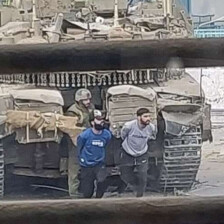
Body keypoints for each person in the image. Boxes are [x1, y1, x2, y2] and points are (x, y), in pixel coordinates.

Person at [60, 88, 94, 198]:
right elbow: (69, 128)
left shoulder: (90, 108)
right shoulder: (72, 111)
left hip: (89, 141)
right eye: (85, 100)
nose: (88, 102)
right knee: (74, 168)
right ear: (79, 101)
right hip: (76, 142)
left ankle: (89, 191)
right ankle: (73, 193)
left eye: (89, 99)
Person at [120, 108, 157, 197]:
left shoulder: (151, 128)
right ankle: (133, 186)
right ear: (138, 118)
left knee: (143, 176)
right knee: (125, 175)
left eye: (149, 116)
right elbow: (123, 135)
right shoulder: (129, 126)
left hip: (142, 153)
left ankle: (140, 196)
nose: (148, 118)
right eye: (145, 116)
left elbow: (152, 137)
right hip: (128, 152)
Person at [77, 110, 112, 198]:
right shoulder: (84, 135)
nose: (101, 122)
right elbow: (79, 147)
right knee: (87, 191)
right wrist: (81, 159)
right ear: (92, 122)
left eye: (102, 119)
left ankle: (98, 200)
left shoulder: (107, 135)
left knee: (102, 181)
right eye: (98, 120)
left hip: (99, 163)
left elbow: (107, 145)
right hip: (87, 164)